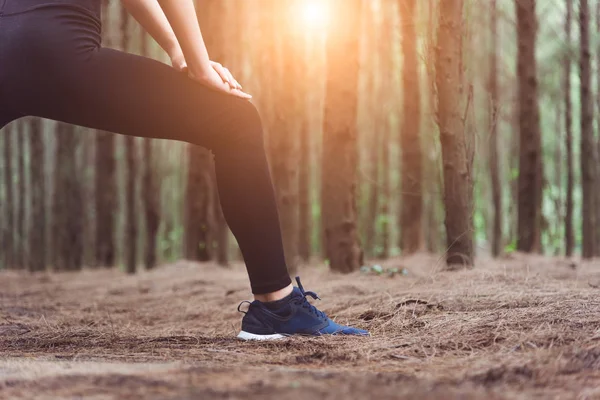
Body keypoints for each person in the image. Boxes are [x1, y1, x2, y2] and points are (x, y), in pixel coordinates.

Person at [0, 0, 368, 340]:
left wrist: (177, 49)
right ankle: (278, 307)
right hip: (57, 46)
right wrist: (200, 63)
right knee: (235, 121)